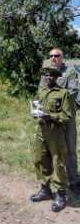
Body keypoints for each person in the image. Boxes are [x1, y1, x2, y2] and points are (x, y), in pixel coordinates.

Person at [38, 48, 80, 194]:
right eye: (51, 56)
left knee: (69, 147)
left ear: (62, 57)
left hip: (66, 115)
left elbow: (73, 92)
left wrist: (56, 97)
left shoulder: (69, 72)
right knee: (49, 148)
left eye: (56, 56)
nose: (53, 58)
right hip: (48, 116)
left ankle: (73, 180)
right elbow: (41, 91)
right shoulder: (46, 73)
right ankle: (50, 181)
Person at [31, 67, 73, 212]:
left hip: (55, 131)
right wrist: (35, 113)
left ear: (56, 78)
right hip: (41, 129)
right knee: (40, 159)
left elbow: (67, 115)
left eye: (51, 76)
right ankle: (45, 190)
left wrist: (52, 116)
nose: (48, 78)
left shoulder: (63, 93)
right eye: (46, 75)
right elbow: (36, 104)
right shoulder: (41, 91)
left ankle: (61, 194)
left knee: (58, 161)